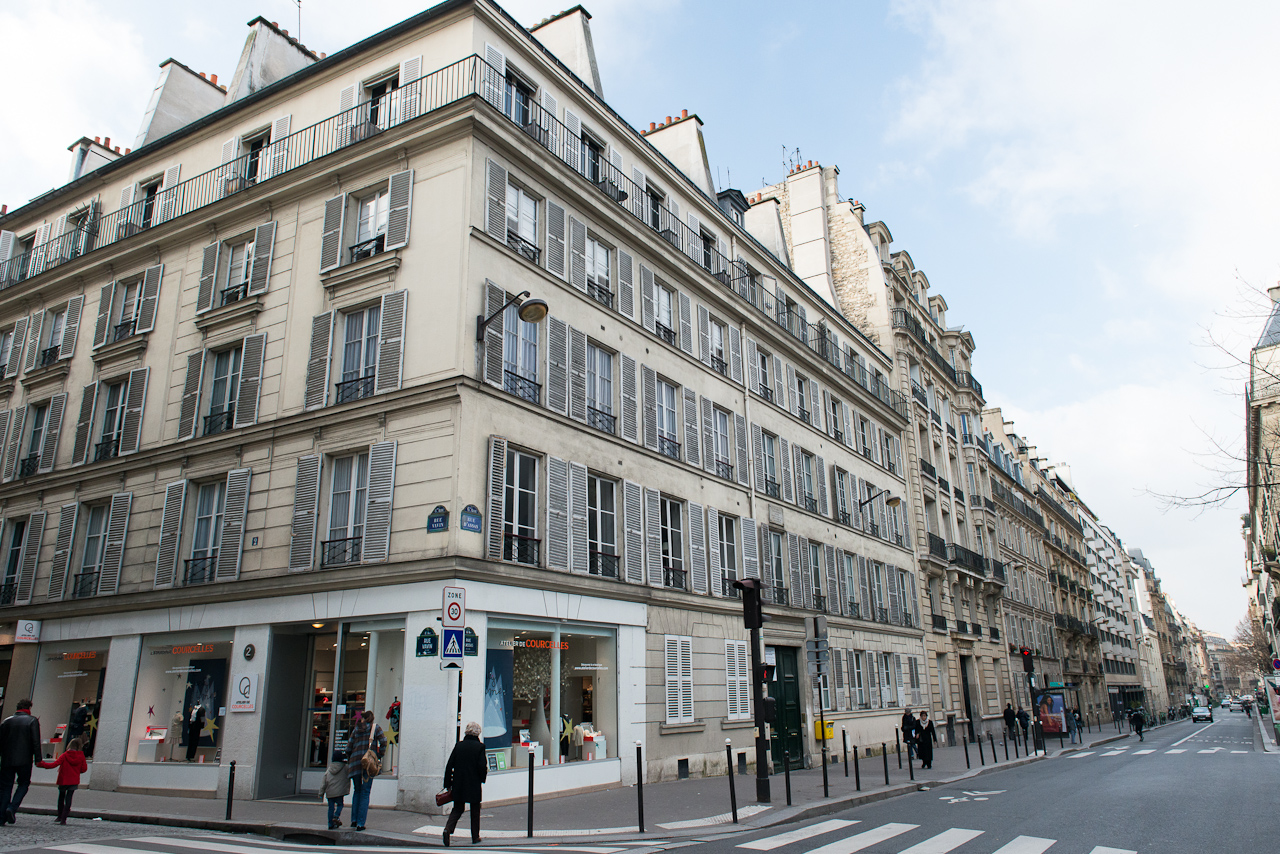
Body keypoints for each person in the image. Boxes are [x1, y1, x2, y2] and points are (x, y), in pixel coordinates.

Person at [442, 721, 488, 847]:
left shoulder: (459, 745)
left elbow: (449, 765)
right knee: (475, 810)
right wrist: (482, 779)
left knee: (458, 808)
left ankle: (448, 829)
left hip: (459, 782)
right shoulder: (480, 747)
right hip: (473, 783)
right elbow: (482, 766)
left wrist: (447, 783)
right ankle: (475, 836)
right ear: (478, 733)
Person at [0, 699, 42, 824]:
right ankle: (12, 808)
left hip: (7, 760)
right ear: (29, 708)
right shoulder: (32, 721)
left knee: (5, 787)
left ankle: (1, 817)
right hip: (24, 759)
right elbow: (36, 742)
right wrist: (38, 759)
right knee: (23, 784)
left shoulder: (6, 721)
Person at [347, 710, 386, 832]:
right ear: (372, 719)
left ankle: (354, 820)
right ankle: (360, 823)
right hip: (368, 764)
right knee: (365, 792)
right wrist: (379, 755)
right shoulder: (375, 728)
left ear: (363, 719)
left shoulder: (356, 729)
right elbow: (384, 741)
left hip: (355, 762)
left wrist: (350, 758)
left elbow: (349, 747)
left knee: (357, 791)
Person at [37, 736, 87, 824]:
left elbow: (54, 764)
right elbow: (84, 769)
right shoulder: (81, 756)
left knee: (61, 797)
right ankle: (64, 818)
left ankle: (59, 816)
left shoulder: (65, 755)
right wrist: (76, 770)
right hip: (74, 780)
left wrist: (41, 764)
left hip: (63, 779)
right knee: (69, 799)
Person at [320, 749, 350, 830]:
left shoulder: (330, 768)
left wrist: (321, 793)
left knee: (331, 808)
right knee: (340, 805)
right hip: (340, 791)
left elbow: (324, 781)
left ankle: (330, 824)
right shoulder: (345, 767)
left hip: (330, 791)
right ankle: (336, 816)